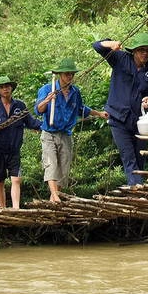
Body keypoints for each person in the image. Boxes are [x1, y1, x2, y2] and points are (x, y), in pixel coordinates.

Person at [93, 33, 148, 186]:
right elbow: (97, 46)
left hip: (141, 123)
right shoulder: (120, 58)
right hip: (118, 119)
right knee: (128, 157)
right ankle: (137, 189)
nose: (145, 53)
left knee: (140, 158)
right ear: (134, 50)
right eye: (141, 50)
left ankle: (137, 188)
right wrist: (110, 44)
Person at [35, 58, 105, 202]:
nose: (69, 77)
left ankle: (54, 199)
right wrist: (47, 100)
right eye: (67, 74)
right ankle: (55, 196)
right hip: (49, 133)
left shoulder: (75, 92)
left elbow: (81, 109)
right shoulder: (47, 89)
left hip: (66, 134)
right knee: (51, 164)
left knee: (63, 169)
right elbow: (39, 109)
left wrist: (98, 113)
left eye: (71, 74)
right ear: (60, 75)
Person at [0, 76, 41, 209]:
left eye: (7, 86)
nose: (5, 89)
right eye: (2, 87)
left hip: (14, 150)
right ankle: (3, 208)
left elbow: (31, 122)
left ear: (11, 88)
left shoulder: (19, 106)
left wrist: (45, 126)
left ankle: (16, 208)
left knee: (16, 179)